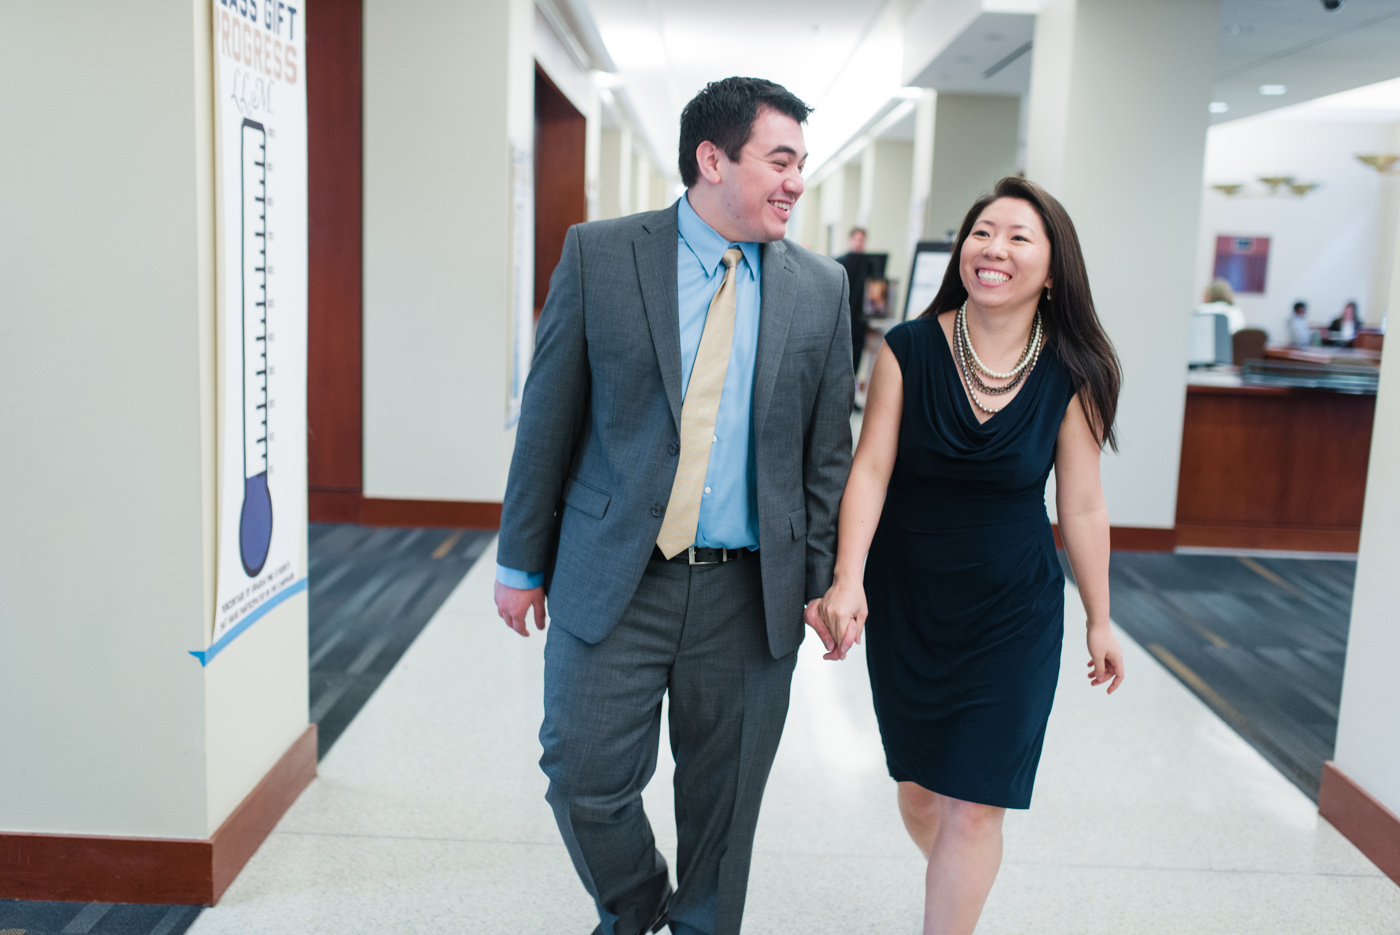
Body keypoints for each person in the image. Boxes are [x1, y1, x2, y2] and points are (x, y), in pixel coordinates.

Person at [494, 76, 853, 935]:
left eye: (801, 163)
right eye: (779, 159)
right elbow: (549, 416)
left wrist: (826, 579)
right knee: (581, 775)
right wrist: (519, 561)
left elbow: (825, 453)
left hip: (748, 588)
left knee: (723, 808)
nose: (795, 181)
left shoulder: (821, 288)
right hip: (617, 570)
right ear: (712, 159)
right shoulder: (601, 255)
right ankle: (635, 907)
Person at [806, 176, 1125, 935]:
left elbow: (1081, 504)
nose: (995, 249)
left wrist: (1101, 618)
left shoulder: (1072, 371)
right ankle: (954, 863)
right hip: (911, 596)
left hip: (1013, 606)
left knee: (975, 805)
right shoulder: (910, 348)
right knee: (921, 790)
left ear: (1052, 269)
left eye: (1019, 237)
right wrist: (848, 577)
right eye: (984, 232)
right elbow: (872, 469)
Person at [836, 226, 870, 375]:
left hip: (859, 323)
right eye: (856, 238)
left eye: (862, 239)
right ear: (850, 240)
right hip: (842, 320)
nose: (859, 242)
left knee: (855, 362)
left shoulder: (870, 264)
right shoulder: (839, 262)